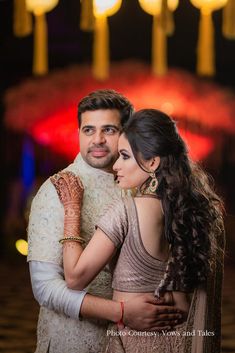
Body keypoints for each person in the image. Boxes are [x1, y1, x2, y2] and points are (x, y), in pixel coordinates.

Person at [52, 109, 225, 353]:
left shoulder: (126, 211)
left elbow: (75, 277)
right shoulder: (199, 213)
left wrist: (71, 210)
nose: (116, 166)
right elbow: (191, 303)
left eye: (124, 156)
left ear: (152, 162)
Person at [27, 91, 182, 353]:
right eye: (88, 130)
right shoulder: (58, 188)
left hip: (135, 340)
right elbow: (45, 288)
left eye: (108, 129)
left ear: (126, 133)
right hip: (73, 339)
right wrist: (121, 312)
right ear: (78, 132)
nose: (97, 140)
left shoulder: (140, 182)